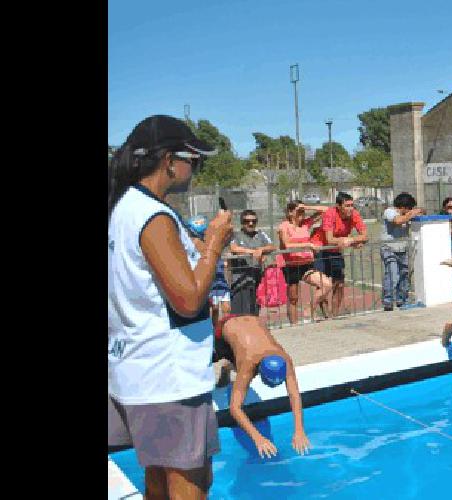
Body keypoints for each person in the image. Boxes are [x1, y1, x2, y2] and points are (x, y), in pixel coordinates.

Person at [108, 115, 230, 499]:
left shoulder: (123, 209)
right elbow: (188, 297)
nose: (193, 168)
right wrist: (214, 243)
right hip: (168, 376)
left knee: (159, 483)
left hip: (138, 371)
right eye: (193, 159)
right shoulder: (153, 217)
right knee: (191, 487)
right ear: (168, 161)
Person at [212, 314, 310, 459]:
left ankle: (229, 364)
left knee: (239, 357)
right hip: (224, 327)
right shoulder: (249, 363)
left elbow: (295, 395)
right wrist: (258, 438)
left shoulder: (284, 359)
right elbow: (235, 408)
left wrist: (299, 430)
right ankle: (227, 364)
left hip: (251, 320)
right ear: (259, 372)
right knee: (216, 362)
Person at [311, 192, 369, 317]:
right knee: (323, 284)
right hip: (321, 248)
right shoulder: (330, 214)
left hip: (336, 251)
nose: (350, 208)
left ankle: (335, 314)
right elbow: (330, 239)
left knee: (339, 283)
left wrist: (352, 240)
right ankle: (323, 312)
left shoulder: (354, 214)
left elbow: (365, 235)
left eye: (352, 205)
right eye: (347, 206)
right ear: (338, 206)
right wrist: (347, 240)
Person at [277, 201, 334, 324]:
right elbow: (287, 245)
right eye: (298, 211)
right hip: (291, 265)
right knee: (293, 298)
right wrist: (308, 244)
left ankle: (309, 309)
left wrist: (308, 207)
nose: (301, 214)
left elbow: (327, 210)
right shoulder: (284, 226)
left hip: (306, 264)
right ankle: (294, 325)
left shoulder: (305, 224)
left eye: (302, 211)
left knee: (326, 284)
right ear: (290, 212)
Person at [380, 192, 425, 310]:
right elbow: (397, 221)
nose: (410, 210)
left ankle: (402, 300)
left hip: (402, 249)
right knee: (392, 275)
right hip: (389, 248)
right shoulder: (389, 211)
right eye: (409, 208)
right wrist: (411, 214)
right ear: (403, 206)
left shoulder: (408, 215)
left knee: (404, 275)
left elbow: (421, 213)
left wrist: (419, 211)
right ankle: (388, 301)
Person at [228, 210, 276, 316]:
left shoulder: (261, 234)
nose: (250, 224)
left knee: (254, 310)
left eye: (254, 221)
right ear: (242, 222)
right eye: (247, 221)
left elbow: (272, 246)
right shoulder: (236, 235)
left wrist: (261, 250)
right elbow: (234, 248)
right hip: (240, 281)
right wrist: (252, 252)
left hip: (256, 278)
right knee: (240, 313)